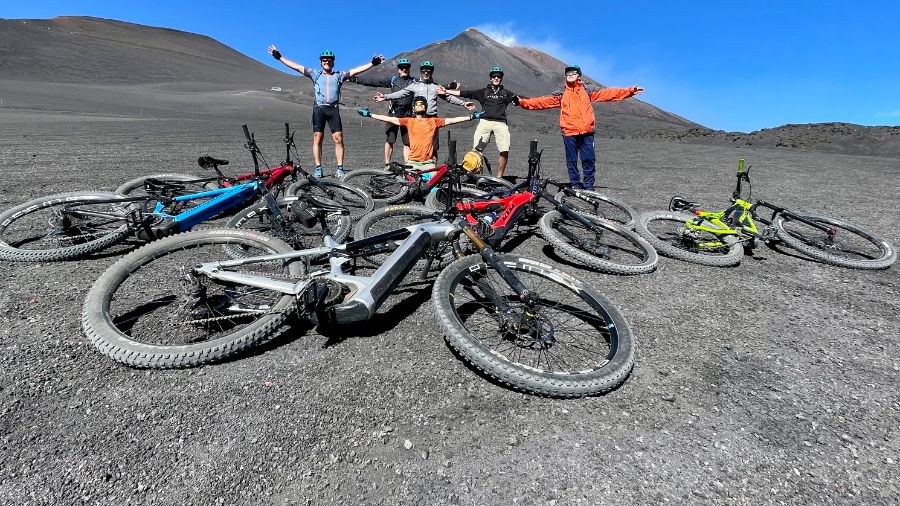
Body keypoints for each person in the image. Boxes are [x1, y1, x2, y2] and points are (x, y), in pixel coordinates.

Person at [519, 65, 644, 189]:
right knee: (571, 160)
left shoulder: (587, 91)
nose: (570, 75)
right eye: (568, 73)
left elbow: (608, 93)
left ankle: (589, 185)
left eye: (573, 73)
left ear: (579, 75)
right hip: (569, 132)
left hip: (587, 131)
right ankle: (575, 184)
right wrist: (523, 102)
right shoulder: (561, 93)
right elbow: (542, 101)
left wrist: (630, 91)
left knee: (589, 159)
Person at [268, 45, 385, 178]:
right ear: (321, 62)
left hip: (333, 109)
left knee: (338, 139)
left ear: (333, 62)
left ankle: (340, 168)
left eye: (329, 60)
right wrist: (279, 57)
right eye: (324, 60)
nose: (327, 61)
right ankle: (318, 168)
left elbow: (356, 70)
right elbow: (296, 66)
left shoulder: (340, 75)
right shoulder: (314, 73)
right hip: (319, 109)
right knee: (318, 138)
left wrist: (372, 63)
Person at [357, 96, 483, 175]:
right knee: (408, 189)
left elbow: (452, 120)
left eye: (422, 104)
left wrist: (472, 117)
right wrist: (370, 115)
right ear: (413, 108)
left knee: (433, 190)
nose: (419, 106)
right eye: (417, 104)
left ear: (426, 107)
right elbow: (390, 119)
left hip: (428, 163)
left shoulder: (433, 121)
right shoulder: (408, 121)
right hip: (412, 162)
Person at [373, 60, 474, 157]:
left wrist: (463, 103)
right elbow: (400, 93)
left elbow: (449, 97)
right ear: (421, 72)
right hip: (418, 119)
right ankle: (418, 170)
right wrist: (385, 97)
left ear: (432, 72)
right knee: (418, 145)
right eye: (424, 70)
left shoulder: (436, 87)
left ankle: (432, 171)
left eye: (429, 70)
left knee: (433, 147)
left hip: (433, 119)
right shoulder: (415, 85)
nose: (426, 72)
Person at [443, 66, 524, 177]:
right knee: (476, 150)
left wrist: (517, 101)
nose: (496, 78)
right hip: (485, 121)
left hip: (500, 123)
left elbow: (518, 100)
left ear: (501, 78)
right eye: (494, 76)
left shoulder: (506, 93)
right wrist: (447, 91)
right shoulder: (484, 92)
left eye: (498, 76)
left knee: (504, 149)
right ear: (490, 78)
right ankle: (476, 176)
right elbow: (466, 93)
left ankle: (499, 177)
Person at [351, 58, 416, 167]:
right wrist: (357, 80)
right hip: (394, 112)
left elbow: (429, 86)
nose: (404, 69)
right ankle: (387, 164)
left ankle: (408, 167)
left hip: (408, 114)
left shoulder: (414, 81)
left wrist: (448, 87)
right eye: (401, 67)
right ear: (398, 69)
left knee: (407, 142)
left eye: (406, 67)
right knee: (390, 139)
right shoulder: (393, 80)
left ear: (409, 69)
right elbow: (375, 81)